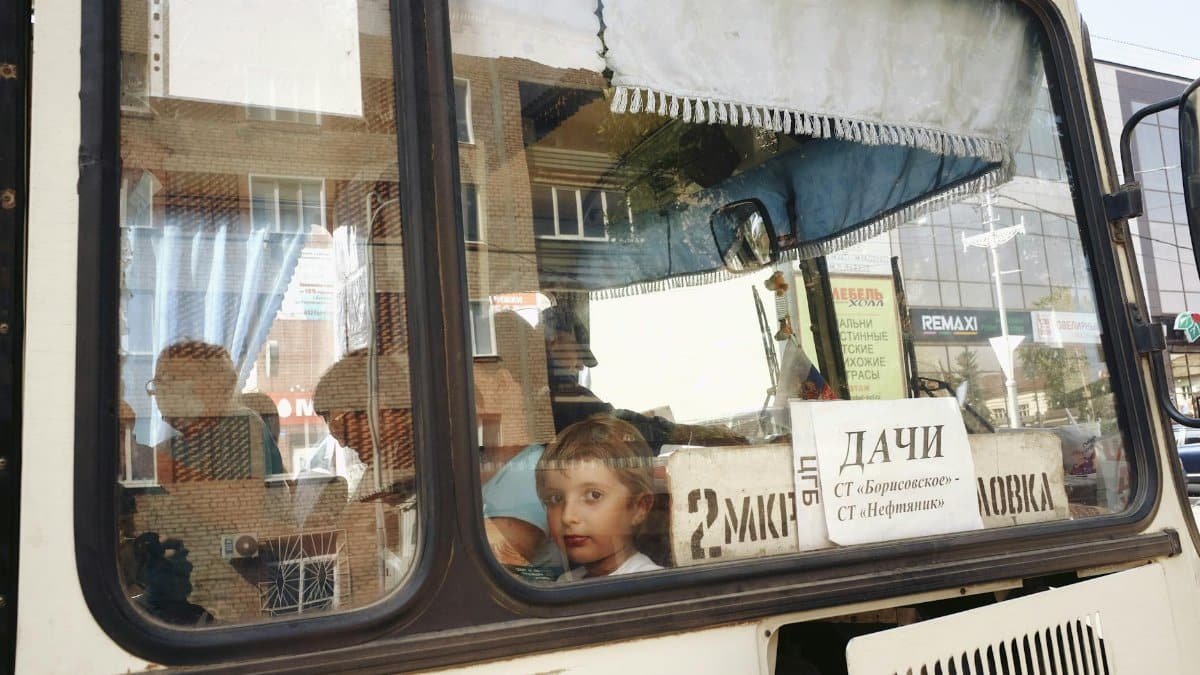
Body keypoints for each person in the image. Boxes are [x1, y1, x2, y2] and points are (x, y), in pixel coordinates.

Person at [541, 304, 747, 452]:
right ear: (554, 342)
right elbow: (617, 425)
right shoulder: (561, 396)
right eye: (577, 353)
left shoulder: (545, 392)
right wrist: (689, 434)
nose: (579, 365)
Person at [535, 416, 663, 580]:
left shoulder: (649, 585)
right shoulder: (566, 582)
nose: (567, 517)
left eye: (593, 495)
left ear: (639, 507)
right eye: (555, 498)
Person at [148, 340, 284, 481]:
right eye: (157, 383)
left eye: (170, 379)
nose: (158, 392)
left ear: (211, 386)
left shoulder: (241, 425)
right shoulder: (177, 444)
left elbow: (235, 493)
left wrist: (157, 465)